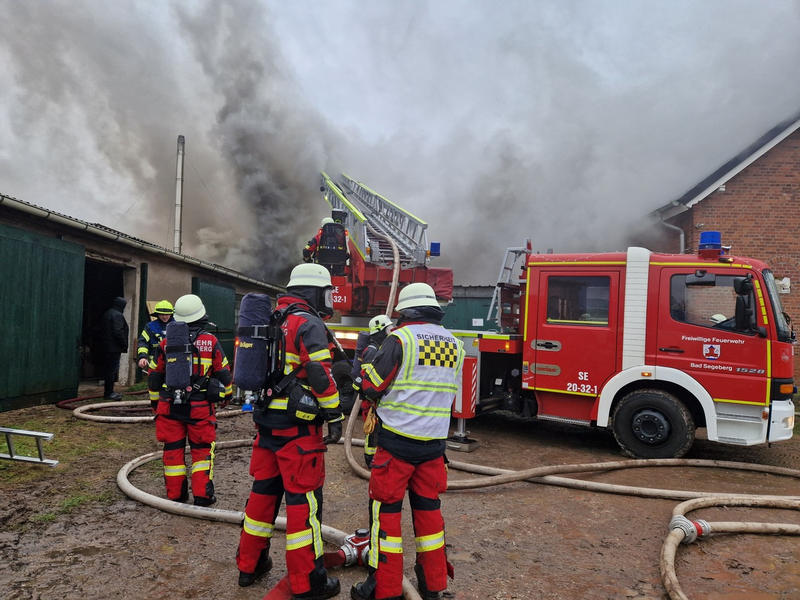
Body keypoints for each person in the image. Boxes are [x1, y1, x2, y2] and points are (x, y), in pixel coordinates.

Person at [235, 263, 344, 599]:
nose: (329, 297)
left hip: (267, 426)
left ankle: (249, 566)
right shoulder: (307, 322)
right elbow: (320, 374)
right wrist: (335, 414)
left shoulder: (272, 317)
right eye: (326, 290)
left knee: (262, 498)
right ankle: (308, 583)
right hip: (298, 434)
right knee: (303, 507)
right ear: (313, 291)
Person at [352, 283, 465, 600]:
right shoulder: (455, 345)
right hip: (433, 449)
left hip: (397, 448)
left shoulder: (400, 339)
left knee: (385, 518)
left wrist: (366, 366)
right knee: (430, 518)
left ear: (404, 311)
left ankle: (382, 589)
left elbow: (372, 388)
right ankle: (433, 586)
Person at [147, 294, 232, 506]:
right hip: (200, 407)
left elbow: (154, 376)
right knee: (202, 451)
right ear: (201, 316)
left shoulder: (166, 342)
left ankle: (175, 495)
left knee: (173, 452)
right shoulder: (210, 341)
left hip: (169, 408)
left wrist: (155, 403)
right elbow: (223, 372)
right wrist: (227, 395)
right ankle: (203, 496)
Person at [354, 314, 394, 468]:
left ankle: (375, 456)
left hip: (376, 399)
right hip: (370, 401)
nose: (390, 333)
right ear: (380, 331)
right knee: (373, 430)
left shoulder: (380, 348)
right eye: (388, 330)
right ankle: (370, 459)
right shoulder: (371, 351)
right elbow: (368, 379)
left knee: (378, 430)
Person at [100, 296, 130, 400]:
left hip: (107, 346)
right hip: (114, 347)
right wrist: (124, 344)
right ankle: (109, 393)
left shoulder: (108, 313)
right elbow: (118, 331)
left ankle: (108, 392)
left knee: (109, 370)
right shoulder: (117, 315)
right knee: (112, 370)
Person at [136, 300, 174, 370]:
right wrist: (142, 357)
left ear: (171, 314)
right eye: (162, 314)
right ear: (157, 314)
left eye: (167, 314)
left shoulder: (178, 327)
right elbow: (143, 343)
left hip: (173, 363)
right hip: (155, 365)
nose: (165, 317)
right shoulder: (150, 327)